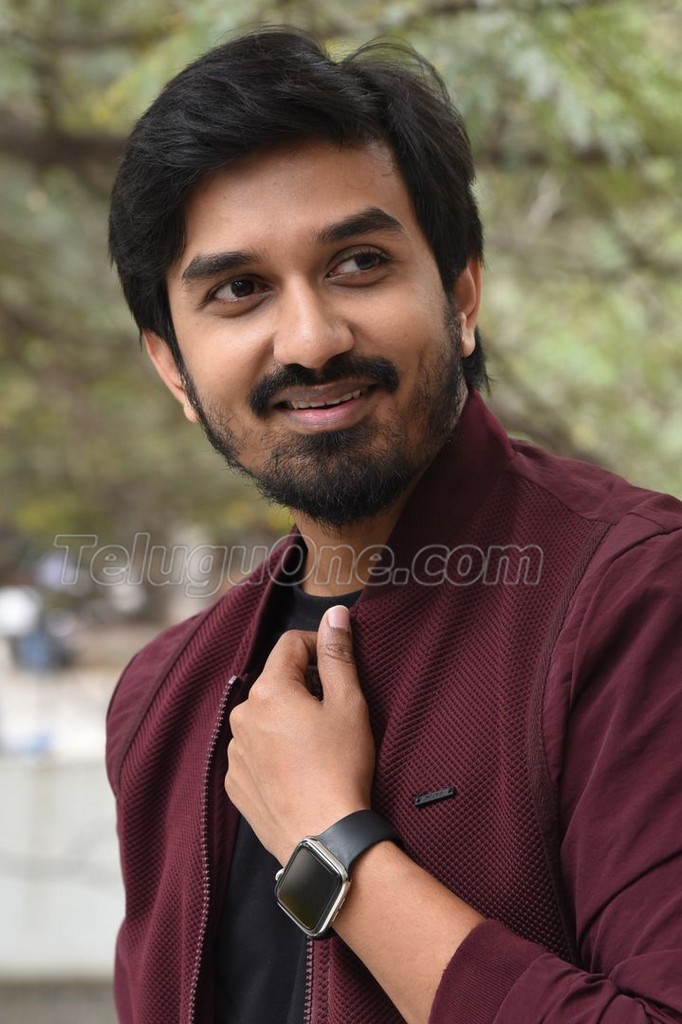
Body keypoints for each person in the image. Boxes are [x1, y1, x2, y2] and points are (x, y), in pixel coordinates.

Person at [106, 26, 682, 1024]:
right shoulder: (163, 699)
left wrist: (332, 842)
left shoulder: (636, 601)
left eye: (359, 263)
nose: (311, 339)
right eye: (239, 290)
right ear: (174, 370)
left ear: (461, 294)